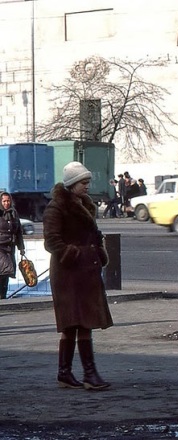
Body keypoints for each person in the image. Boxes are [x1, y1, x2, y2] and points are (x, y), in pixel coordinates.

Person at [44, 161, 113, 390]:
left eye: (88, 182)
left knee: (85, 323)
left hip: (85, 272)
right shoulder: (57, 207)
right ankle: (82, 374)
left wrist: (98, 250)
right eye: (84, 182)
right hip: (68, 275)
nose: (87, 186)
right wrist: (72, 254)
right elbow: (52, 241)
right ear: (72, 184)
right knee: (72, 324)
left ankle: (77, 373)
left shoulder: (84, 204)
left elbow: (91, 233)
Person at [0, 192, 25, 300]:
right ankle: (2, 297)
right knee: (5, 270)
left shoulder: (14, 213)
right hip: (0, 247)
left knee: (6, 273)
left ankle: (3, 297)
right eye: (4, 201)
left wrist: (21, 248)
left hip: (11, 247)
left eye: (8, 200)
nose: (6, 203)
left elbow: (18, 231)